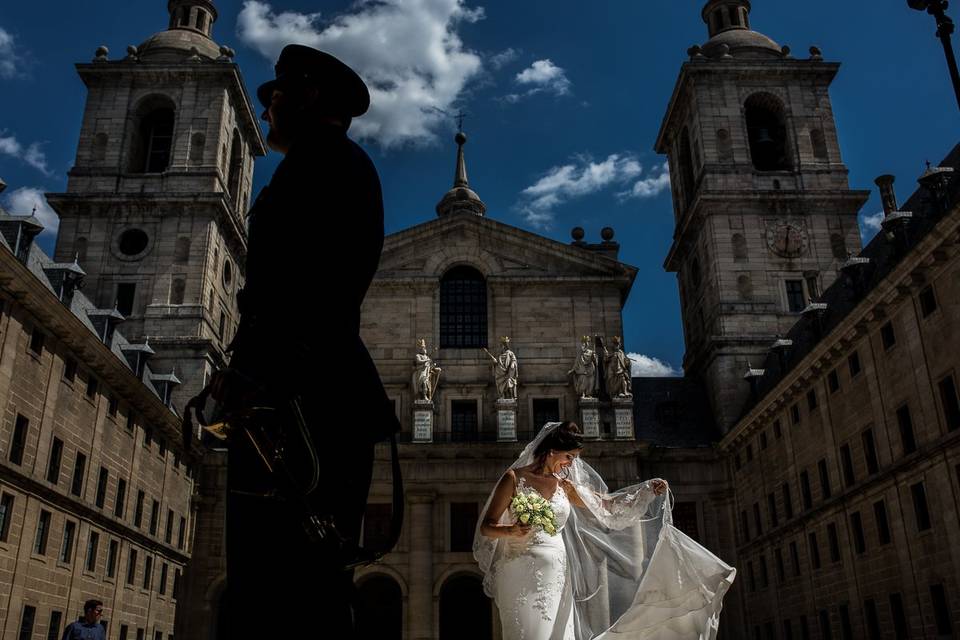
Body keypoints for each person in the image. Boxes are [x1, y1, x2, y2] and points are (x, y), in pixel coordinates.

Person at [221, 44, 399, 637]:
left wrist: (253, 376)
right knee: (303, 582)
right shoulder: (332, 163)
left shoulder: (323, 164)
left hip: (297, 403)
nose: (266, 110)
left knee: (277, 581)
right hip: (311, 395)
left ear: (307, 96)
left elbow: (299, 291)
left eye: (274, 97)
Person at [475, 422, 736, 639]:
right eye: (568, 457)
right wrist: (511, 530)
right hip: (519, 570)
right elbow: (487, 526)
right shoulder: (514, 478)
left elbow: (606, 505)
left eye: (574, 459)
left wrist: (644, 491)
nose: (570, 464)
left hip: (556, 572)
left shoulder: (564, 486)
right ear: (553, 451)